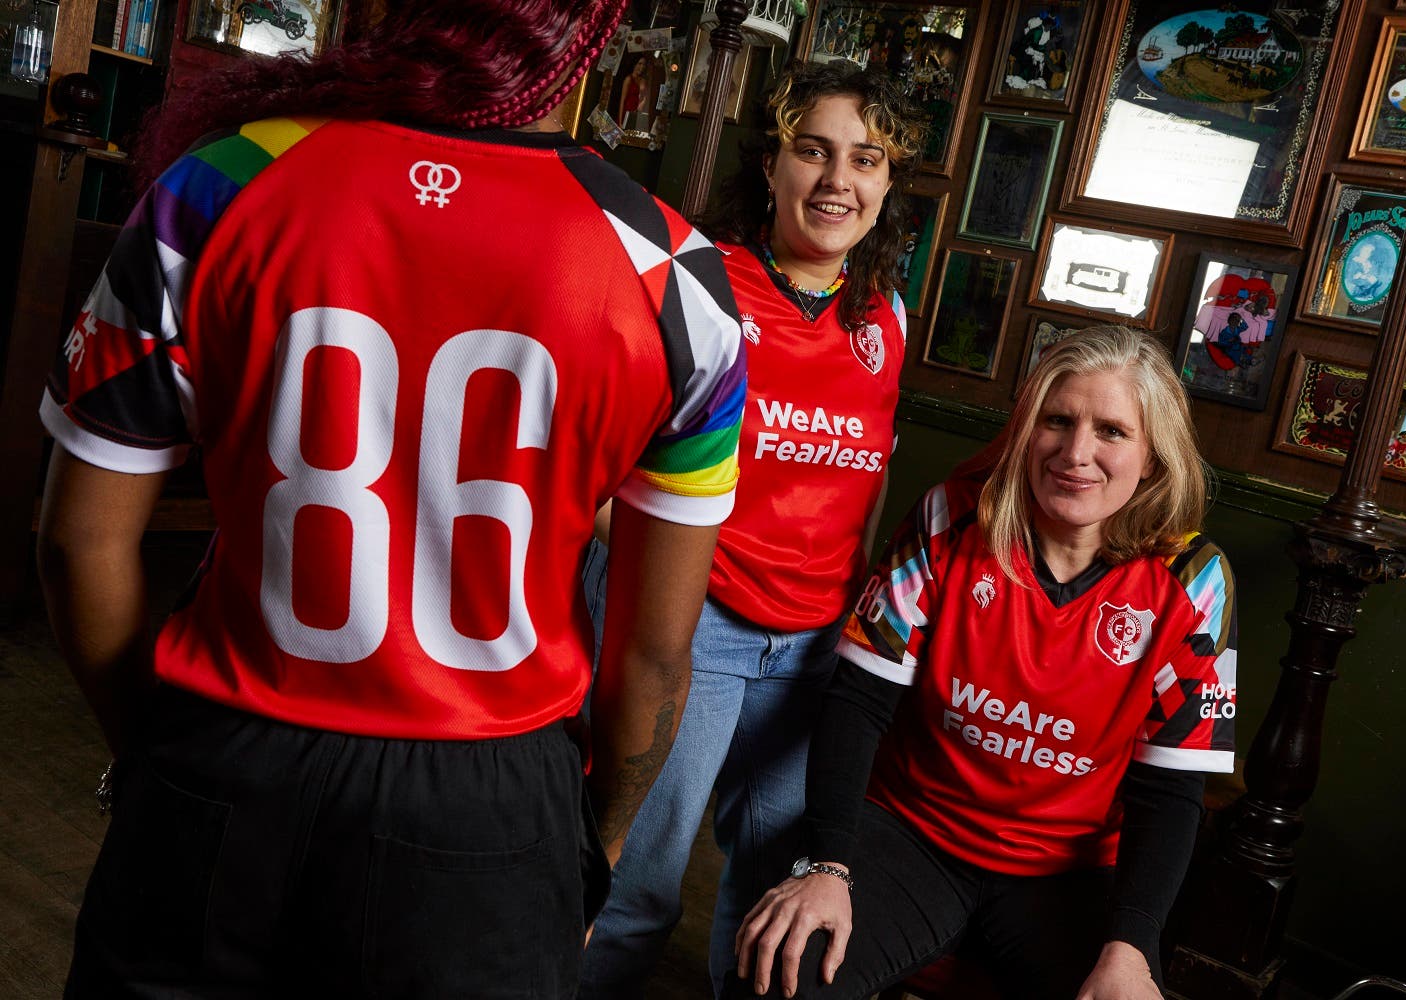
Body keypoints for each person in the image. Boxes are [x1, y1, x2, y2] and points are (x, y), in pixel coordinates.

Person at [35, 0, 748, 996]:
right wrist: (599, 846)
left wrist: (158, 761)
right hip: (491, 799)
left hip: (230, 750)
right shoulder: (677, 274)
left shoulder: (220, 183)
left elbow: (77, 542)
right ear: (592, 34)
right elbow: (655, 651)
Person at [730, 326, 1239, 1000]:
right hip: (913, 834)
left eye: (1111, 431)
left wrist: (1131, 948)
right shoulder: (950, 518)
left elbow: (1171, 793)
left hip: (1065, 871)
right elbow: (857, 703)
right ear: (1026, 430)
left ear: (1152, 457)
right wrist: (827, 863)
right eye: (1057, 421)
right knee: (781, 974)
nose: (1076, 452)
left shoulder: (1196, 582)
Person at [579, 61, 925, 999]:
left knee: (775, 901)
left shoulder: (886, 313)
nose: (837, 180)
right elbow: (593, 458)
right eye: (813, 150)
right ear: (771, 163)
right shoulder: (704, 284)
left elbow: (872, 471)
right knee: (634, 891)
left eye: (866, 159)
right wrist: (648, 577)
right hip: (693, 628)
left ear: (889, 184)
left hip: (817, 646)